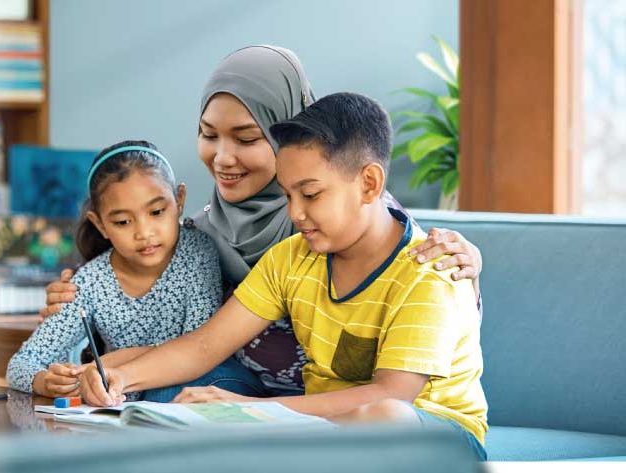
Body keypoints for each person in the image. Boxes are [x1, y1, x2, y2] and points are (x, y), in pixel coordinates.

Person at [40, 45, 484, 401]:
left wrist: (470, 263)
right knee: (165, 390)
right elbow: (190, 340)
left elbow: (418, 289)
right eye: (209, 134)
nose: (222, 157)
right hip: (244, 392)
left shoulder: (369, 221)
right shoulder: (203, 239)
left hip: (351, 409)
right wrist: (81, 299)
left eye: (248, 138)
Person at [79, 93, 487, 460]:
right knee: (184, 402)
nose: (295, 213)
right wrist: (120, 376)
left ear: (369, 184)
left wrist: (249, 411)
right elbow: (205, 345)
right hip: (322, 432)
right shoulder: (292, 257)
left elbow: (392, 396)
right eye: (287, 195)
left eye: (310, 195)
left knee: (382, 417)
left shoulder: (431, 269)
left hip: (432, 437)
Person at [6, 140, 223, 398]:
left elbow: (198, 347)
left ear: (179, 200)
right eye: (122, 222)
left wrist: (104, 365)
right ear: (100, 224)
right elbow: (22, 363)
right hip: (118, 409)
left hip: (186, 396)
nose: (144, 233)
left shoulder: (198, 254)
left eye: (156, 211)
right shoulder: (90, 282)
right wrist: (45, 381)